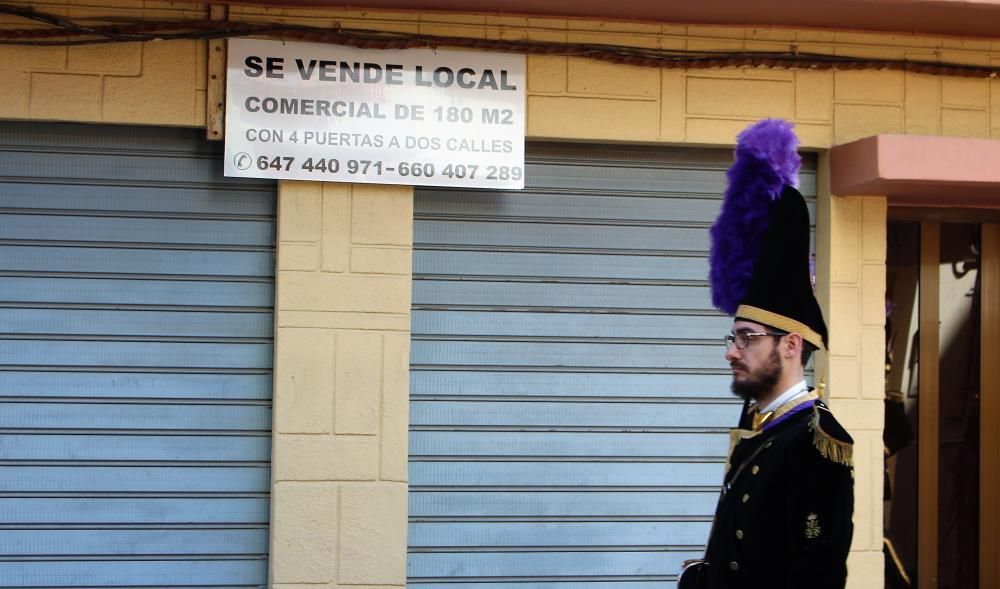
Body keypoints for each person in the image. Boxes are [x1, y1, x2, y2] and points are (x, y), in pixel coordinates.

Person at [680, 119, 855, 589]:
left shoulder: (816, 443)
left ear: (791, 344)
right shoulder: (761, 427)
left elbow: (815, 577)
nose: (732, 353)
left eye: (747, 338)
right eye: (732, 338)